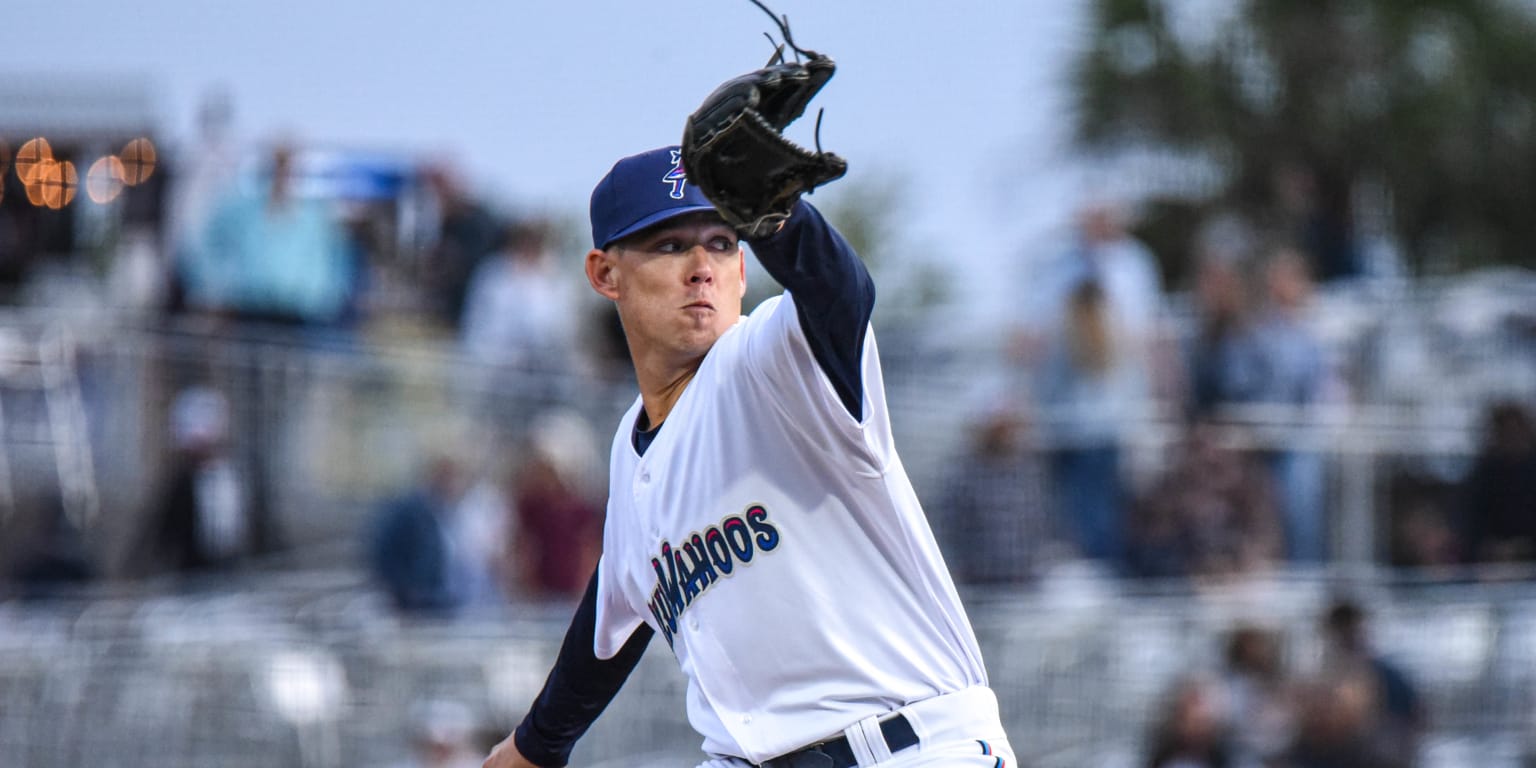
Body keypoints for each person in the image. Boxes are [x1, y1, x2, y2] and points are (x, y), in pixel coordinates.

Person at [482, 146, 1015, 768]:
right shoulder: (633, 451)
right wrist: (536, 743)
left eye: (721, 240)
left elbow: (840, 292)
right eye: (671, 246)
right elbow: (615, 612)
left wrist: (774, 206)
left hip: (908, 747)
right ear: (605, 274)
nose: (702, 267)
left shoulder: (770, 359)